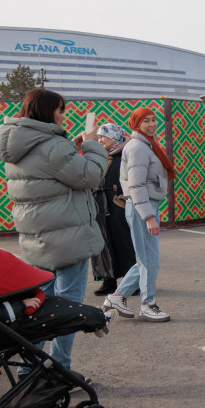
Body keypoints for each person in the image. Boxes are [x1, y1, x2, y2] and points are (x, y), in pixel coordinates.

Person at [0, 88, 108, 369]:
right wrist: (92, 146)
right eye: (60, 110)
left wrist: (75, 146)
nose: (63, 116)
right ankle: (60, 369)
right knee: (66, 307)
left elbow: (54, 174)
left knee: (36, 305)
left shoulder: (17, 145)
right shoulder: (53, 146)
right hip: (67, 238)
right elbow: (88, 175)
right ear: (48, 112)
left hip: (37, 239)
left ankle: (28, 368)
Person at [102, 106, 174, 322]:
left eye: (153, 120)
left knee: (146, 258)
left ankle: (118, 296)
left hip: (146, 206)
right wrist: (149, 216)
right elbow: (135, 185)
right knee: (149, 259)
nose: (151, 124)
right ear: (136, 125)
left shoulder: (146, 145)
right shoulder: (138, 148)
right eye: (146, 121)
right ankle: (148, 303)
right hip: (143, 207)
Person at [91, 123, 137, 296]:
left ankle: (131, 281)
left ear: (115, 137)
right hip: (99, 204)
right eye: (99, 136)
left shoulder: (125, 154)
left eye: (104, 136)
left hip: (118, 204)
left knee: (123, 241)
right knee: (102, 243)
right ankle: (108, 280)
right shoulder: (98, 157)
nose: (100, 139)